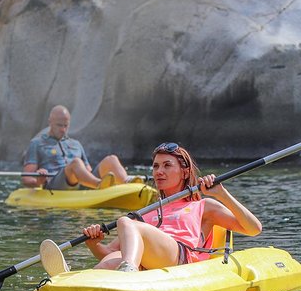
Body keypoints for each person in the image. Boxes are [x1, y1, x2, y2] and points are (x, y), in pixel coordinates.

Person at [82, 142, 262, 271]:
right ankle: (78, 282)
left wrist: (222, 194)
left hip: (180, 258)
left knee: (125, 221)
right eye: (156, 166)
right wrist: (93, 244)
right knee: (108, 262)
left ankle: (128, 272)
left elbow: (254, 229)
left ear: (184, 172)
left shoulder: (203, 206)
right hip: (150, 262)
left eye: (167, 165)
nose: (159, 171)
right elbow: (109, 251)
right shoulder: (147, 213)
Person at [22, 105, 134, 189]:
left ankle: (129, 183)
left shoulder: (76, 144)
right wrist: (38, 181)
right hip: (55, 184)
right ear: (50, 122)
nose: (63, 129)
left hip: (82, 184)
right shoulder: (37, 143)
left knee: (111, 159)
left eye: (66, 126)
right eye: (59, 125)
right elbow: (26, 178)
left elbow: (88, 170)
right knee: (76, 162)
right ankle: (100, 185)